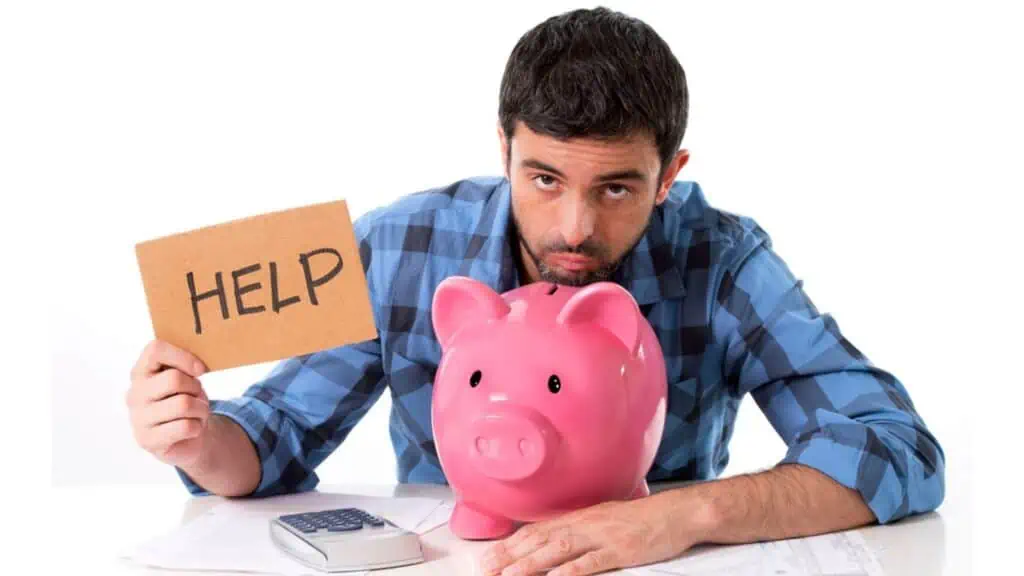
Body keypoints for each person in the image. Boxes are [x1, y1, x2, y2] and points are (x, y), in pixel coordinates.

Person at [126, 7, 944, 576]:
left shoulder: (722, 260)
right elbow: (270, 445)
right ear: (504, 148)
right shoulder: (401, 245)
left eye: (618, 188)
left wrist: (678, 518)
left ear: (671, 176)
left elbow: (897, 449)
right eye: (544, 179)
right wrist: (197, 440)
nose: (574, 228)